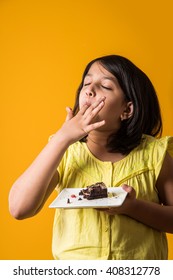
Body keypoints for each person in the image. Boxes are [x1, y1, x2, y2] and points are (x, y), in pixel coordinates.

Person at [9, 55, 173, 260]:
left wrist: (133, 207)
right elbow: (19, 208)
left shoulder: (154, 154)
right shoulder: (65, 150)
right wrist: (62, 138)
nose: (89, 89)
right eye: (86, 83)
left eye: (105, 86)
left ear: (127, 109)